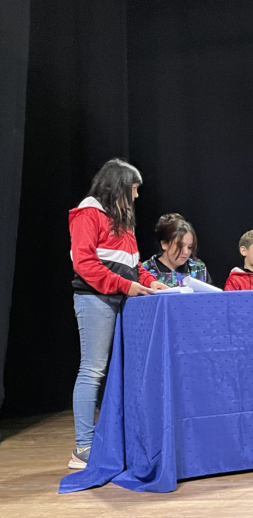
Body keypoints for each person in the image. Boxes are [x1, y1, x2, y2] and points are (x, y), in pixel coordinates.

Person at [68, 158, 168, 469]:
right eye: (134, 189)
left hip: (124, 300)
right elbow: (85, 264)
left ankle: (113, 439)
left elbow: (133, 265)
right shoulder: (88, 213)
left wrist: (151, 282)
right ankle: (83, 447)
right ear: (119, 186)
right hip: (96, 300)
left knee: (119, 370)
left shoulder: (122, 222)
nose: (136, 196)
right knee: (93, 369)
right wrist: (126, 286)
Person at [142, 214, 211, 287]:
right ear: (164, 244)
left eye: (190, 247)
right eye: (180, 246)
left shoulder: (199, 269)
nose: (186, 252)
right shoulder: (145, 271)